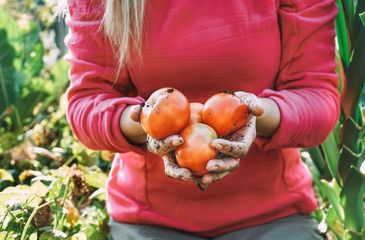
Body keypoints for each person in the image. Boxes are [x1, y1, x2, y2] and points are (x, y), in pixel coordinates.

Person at [64, 0, 339, 239]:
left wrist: (256, 115)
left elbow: (316, 98)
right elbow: (87, 102)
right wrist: (147, 125)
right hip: (150, 222)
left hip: (272, 217)